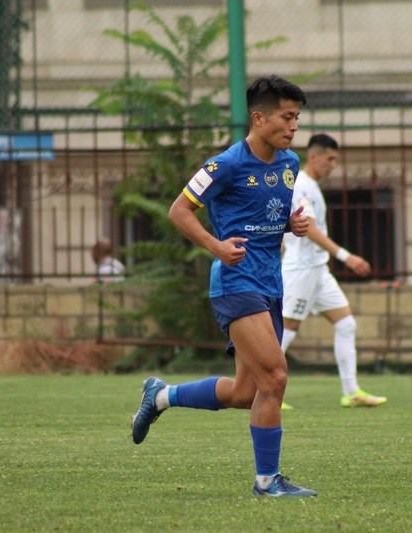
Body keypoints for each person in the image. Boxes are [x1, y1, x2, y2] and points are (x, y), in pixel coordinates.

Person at [131, 75, 317, 497]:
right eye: (286, 117)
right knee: (275, 377)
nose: (293, 127)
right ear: (259, 118)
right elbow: (179, 211)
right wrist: (216, 246)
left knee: (246, 391)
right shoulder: (225, 164)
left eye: (297, 118)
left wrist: (290, 225)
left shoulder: (289, 164)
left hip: (270, 283)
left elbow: (267, 215)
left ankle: (161, 396)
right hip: (236, 282)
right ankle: (267, 482)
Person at [280, 133, 387, 408]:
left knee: (345, 323)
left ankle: (351, 392)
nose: (333, 165)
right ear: (313, 156)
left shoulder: (312, 186)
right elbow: (309, 229)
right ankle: (262, 393)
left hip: (318, 270)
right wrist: (345, 256)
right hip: (301, 270)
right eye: (330, 159)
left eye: (336, 160)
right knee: (286, 329)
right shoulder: (302, 185)